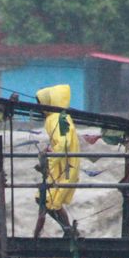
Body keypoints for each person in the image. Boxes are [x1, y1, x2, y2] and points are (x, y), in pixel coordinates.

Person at [35, 84, 80, 238]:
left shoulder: (55, 118)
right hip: (65, 165)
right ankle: (68, 230)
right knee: (51, 199)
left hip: (63, 167)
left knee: (48, 199)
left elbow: (62, 143)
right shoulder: (63, 117)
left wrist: (49, 162)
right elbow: (61, 143)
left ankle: (67, 230)